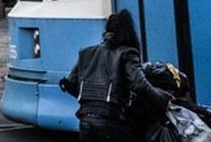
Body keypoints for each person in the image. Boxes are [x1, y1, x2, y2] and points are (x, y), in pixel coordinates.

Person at [59, 10, 172, 142]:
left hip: (86, 122)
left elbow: (72, 84)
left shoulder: (86, 52)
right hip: (113, 121)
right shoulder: (128, 53)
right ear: (129, 31)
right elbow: (139, 84)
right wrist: (162, 98)